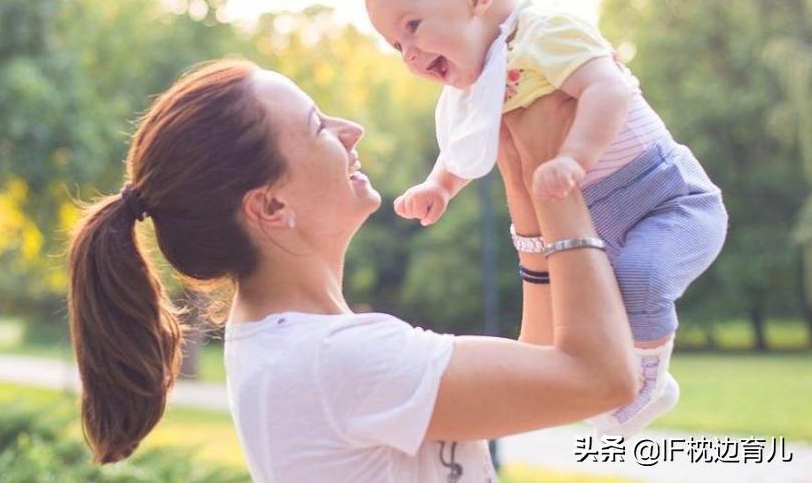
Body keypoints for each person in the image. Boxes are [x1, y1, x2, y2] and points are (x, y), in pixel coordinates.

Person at [66, 58, 640, 481]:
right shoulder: (336, 360)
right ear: (270, 206)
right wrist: (557, 175)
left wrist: (523, 178)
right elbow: (601, 379)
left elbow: (540, 375)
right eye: (318, 125)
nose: (350, 130)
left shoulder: (300, 348)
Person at [365, 0, 728, 436]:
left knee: (644, 276)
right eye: (395, 46)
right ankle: (648, 374)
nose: (411, 56)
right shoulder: (481, 80)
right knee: (589, 310)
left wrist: (574, 157)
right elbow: (468, 144)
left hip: (666, 199)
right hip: (601, 220)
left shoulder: (545, 32)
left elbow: (609, 89)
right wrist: (440, 186)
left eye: (412, 28)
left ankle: (642, 382)